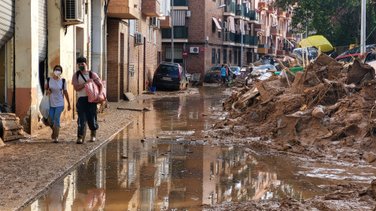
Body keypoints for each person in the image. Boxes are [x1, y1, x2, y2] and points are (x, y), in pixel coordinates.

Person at [72, 56, 103, 144]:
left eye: (82, 63)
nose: (81, 65)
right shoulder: (76, 75)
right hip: (81, 100)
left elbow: (100, 85)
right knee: (81, 119)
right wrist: (86, 83)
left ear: (86, 63)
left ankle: (93, 133)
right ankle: (80, 137)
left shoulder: (92, 74)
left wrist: (100, 95)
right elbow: (76, 88)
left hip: (92, 100)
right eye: (79, 64)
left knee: (92, 118)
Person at [45, 65, 71, 143]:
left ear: (61, 72)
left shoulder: (63, 81)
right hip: (51, 103)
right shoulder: (49, 79)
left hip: (60, 103)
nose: (57, 71)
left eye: (59, 70)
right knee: (50, 119)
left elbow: (65, 92)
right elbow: (45, 90)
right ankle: (55, 131)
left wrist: (69, 103)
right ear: (53, 70)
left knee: (56, 118)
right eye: (56, 69)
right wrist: (48, 91)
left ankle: (56, 137)